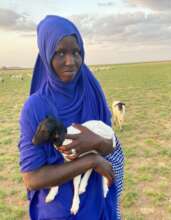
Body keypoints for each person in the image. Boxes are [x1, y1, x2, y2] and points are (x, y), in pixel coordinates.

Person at [18, 15, 124, 220]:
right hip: (58, 212)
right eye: (60, 53)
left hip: (96, 206)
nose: (71, 61)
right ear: (46, 53)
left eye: (76, 52)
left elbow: (111, 145)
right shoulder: (36, 106)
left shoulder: (92, 92)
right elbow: (32, 178)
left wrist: (99, 143)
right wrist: (90, 160)